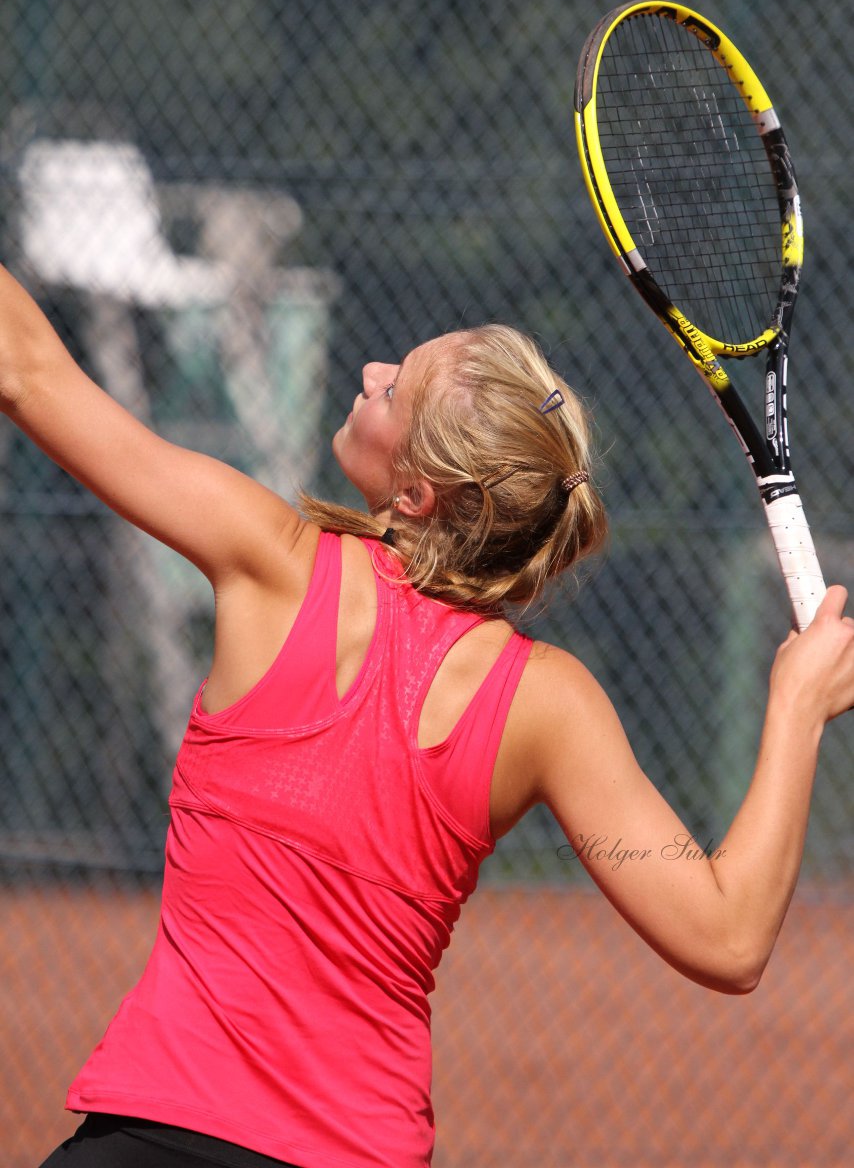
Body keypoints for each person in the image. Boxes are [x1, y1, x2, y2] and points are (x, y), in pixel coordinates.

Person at [1, 262, 851, 1168]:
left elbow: (26, 370)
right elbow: (727, 938)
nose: (370, 373)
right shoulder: (545, 702)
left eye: (394, 387)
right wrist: (796, 708)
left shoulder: (265, 555)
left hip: (153, 1134)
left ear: (415, 494)